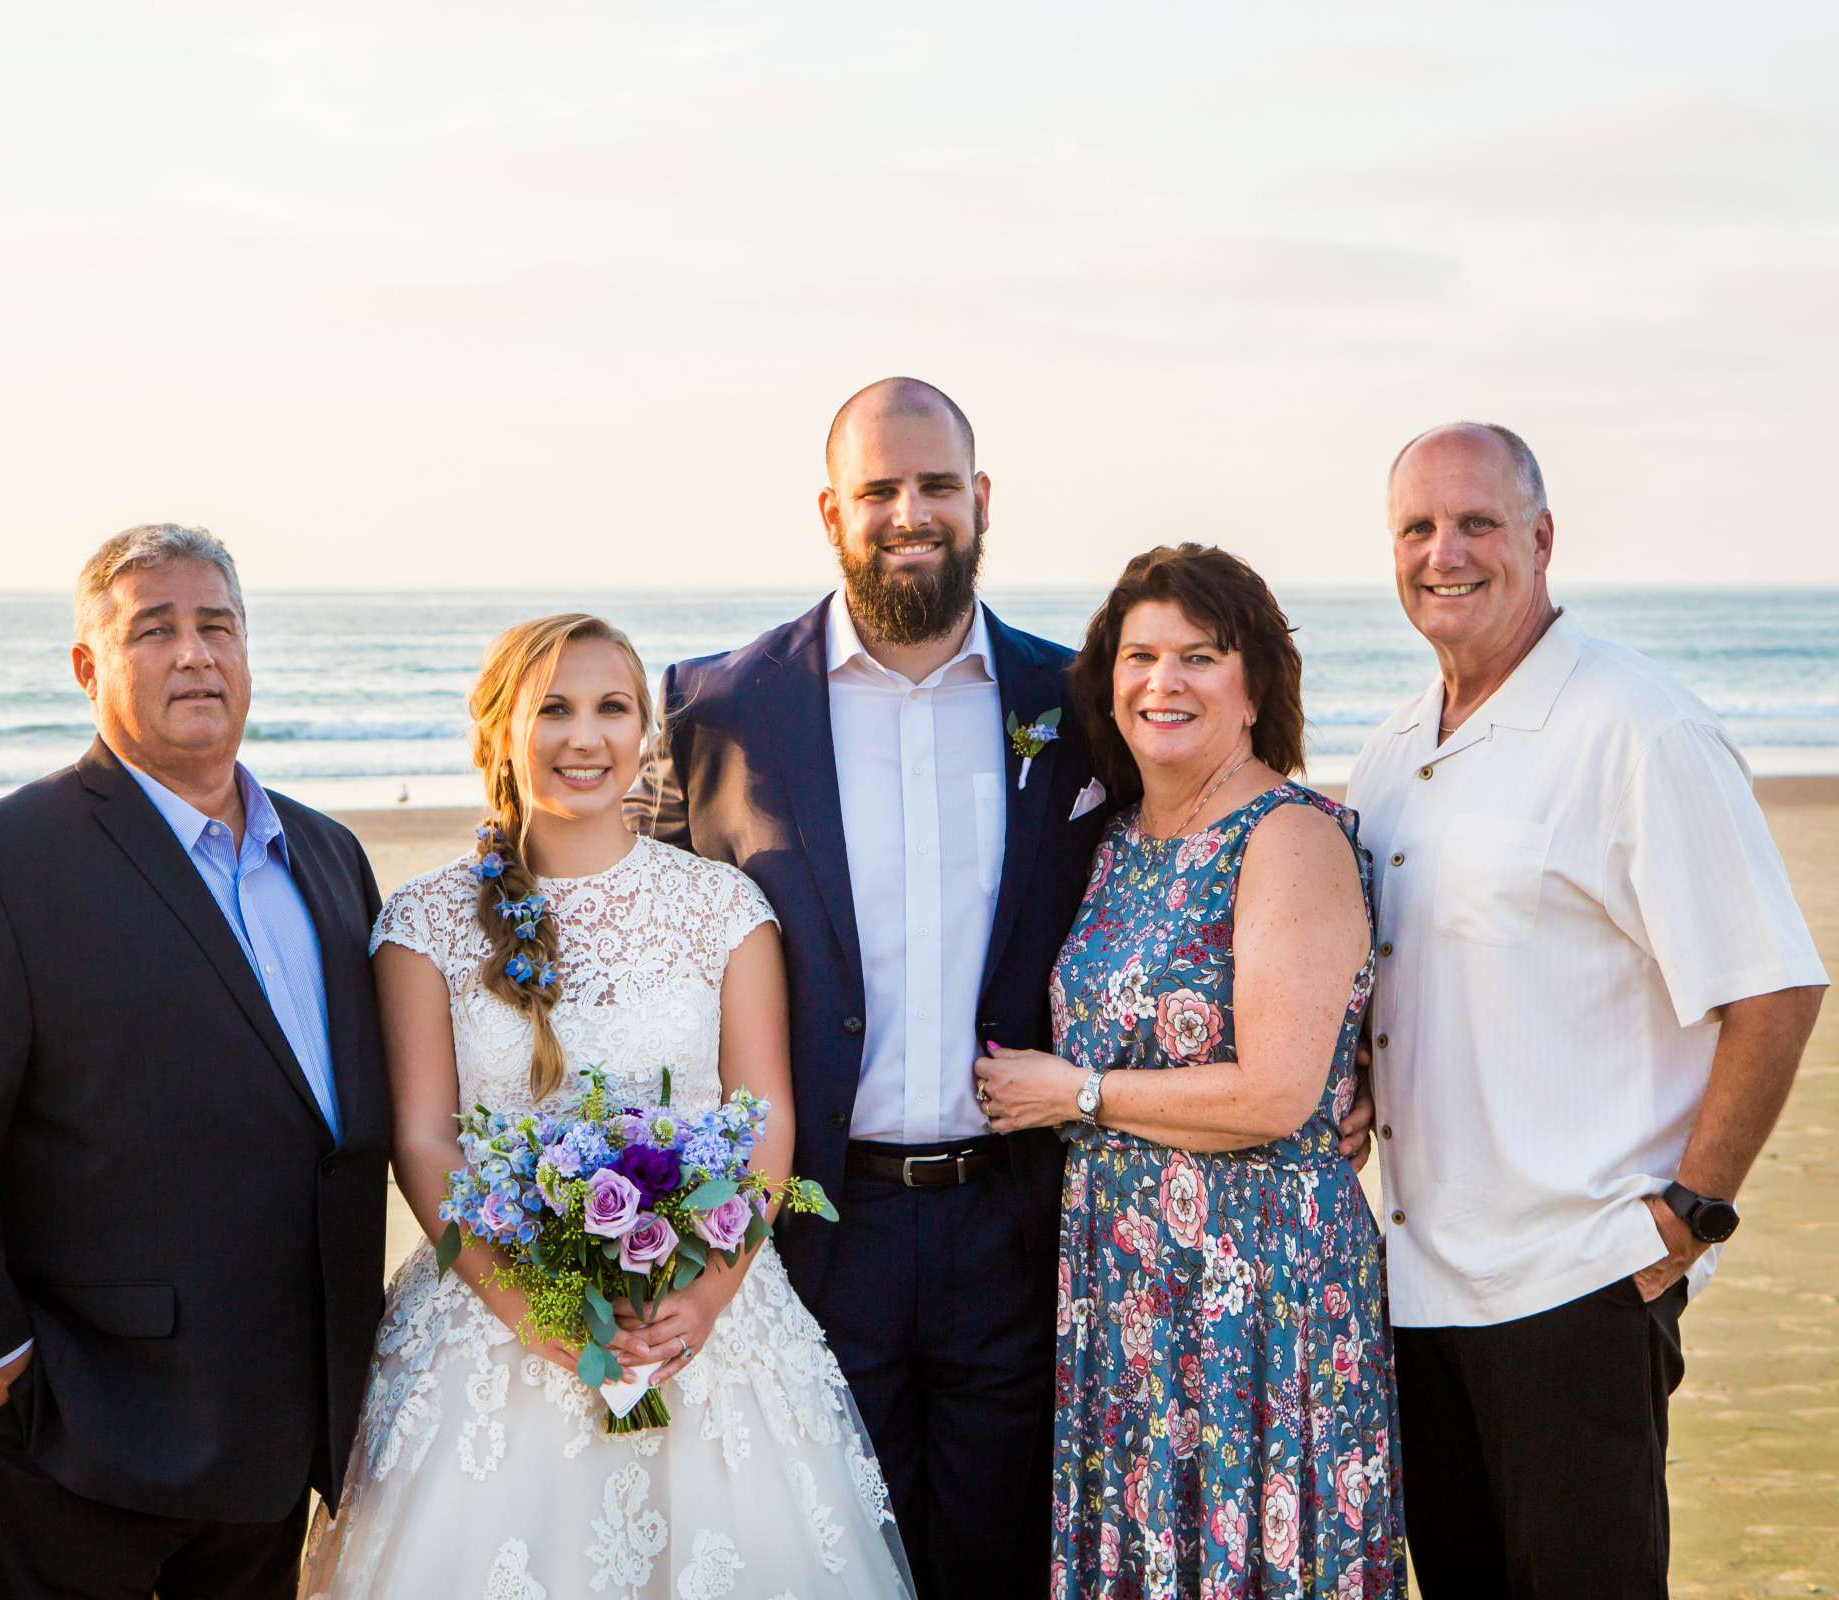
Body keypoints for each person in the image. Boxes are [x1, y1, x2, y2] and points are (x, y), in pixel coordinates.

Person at [301, 614, 912, 1599]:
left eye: (611, 707)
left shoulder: (725, 910)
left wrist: (705, 1296)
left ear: (645, 731)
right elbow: (422, 1138)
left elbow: (766, 1124)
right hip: (495, 1330)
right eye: (553, 708)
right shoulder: (422, 925)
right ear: (501, 727)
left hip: (707, 1329)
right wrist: (543, 1313)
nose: (585, 737)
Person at [0, 524, 392, 1600]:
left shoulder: (330, 856)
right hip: (73, 1433)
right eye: (156, 630)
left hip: (280, 1435)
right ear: (88, 668)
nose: (195, 653)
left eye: (217, 626)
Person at [625, 378, 1107, 1596]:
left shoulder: (1079, 701)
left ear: (981, 500)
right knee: (828, 1553)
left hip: (1021, 1222)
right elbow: (628, 935)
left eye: (937, 486)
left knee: (1005, 1556)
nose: (911, 512)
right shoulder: (715, 707)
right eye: (881, 489)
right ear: (831, 509)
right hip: (810, 1229)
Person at [1349, 423, 1828, 1597]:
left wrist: (1694, 1209)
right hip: (1411, 1291)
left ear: (1541, 538)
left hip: (1575, 1285)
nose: (1444, 552)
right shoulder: (1390, 749)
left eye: (1477, 523)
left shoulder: (1637, 727)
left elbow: (1773, 987)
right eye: (1417, 527)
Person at [973, 544, 1406, 1595]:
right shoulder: (1118, 838)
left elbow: (1276, 1093)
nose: (1162, 683)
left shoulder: (1287, 835)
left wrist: (1074, 1094)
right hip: (1128, 1288)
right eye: (1140, 656)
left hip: (1253, 1292)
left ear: (1255, 683)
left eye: (1198, 656)